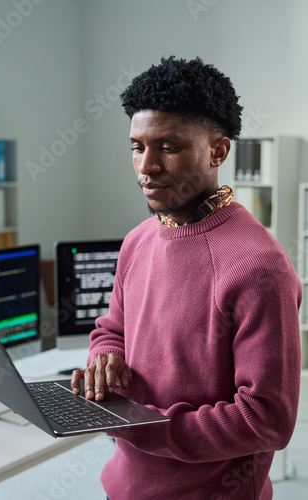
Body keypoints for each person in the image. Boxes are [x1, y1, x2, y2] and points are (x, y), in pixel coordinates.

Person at [71, 56, 302, 500]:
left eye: (169, 147)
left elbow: (266, 420)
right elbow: (112, 330)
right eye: (137, 147)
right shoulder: (138, 240)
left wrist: (139, 425)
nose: (146, 166)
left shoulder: (259, 268)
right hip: (123, 487)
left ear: (218, 150)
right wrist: (105, 358)